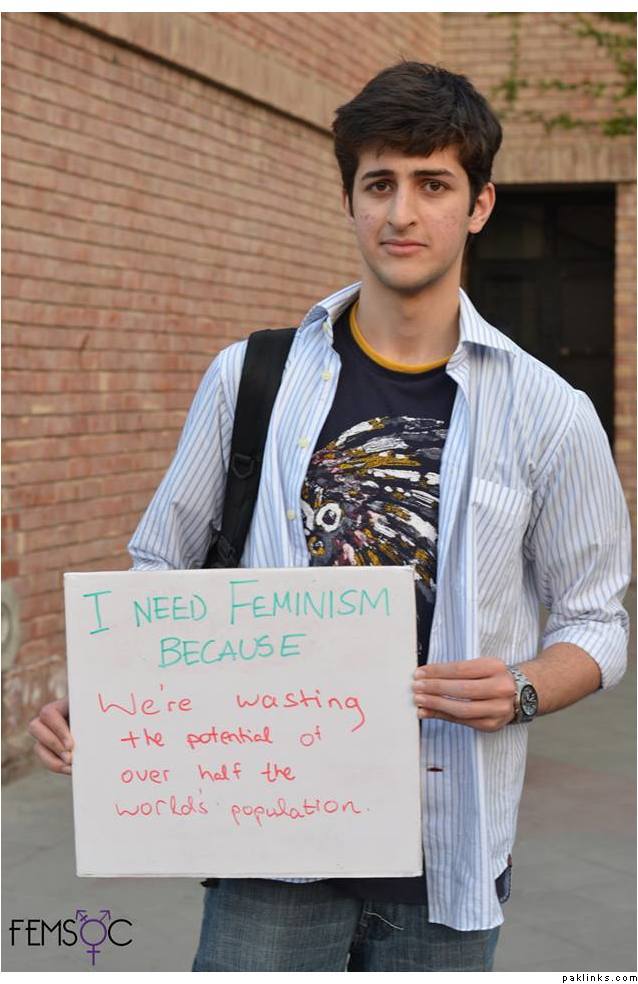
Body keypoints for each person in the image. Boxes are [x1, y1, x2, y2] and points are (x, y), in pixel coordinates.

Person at [29, 62, 630, 972]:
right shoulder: (250, 377)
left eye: (433, 185)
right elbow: (160, 570)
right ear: (348, 200)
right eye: (379, 184)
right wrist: (110, 697)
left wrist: (525, 687)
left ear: (479, 205)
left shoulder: (549, 411)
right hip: (272, 844)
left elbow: (597, 621)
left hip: (448, 851)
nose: (402, 213)